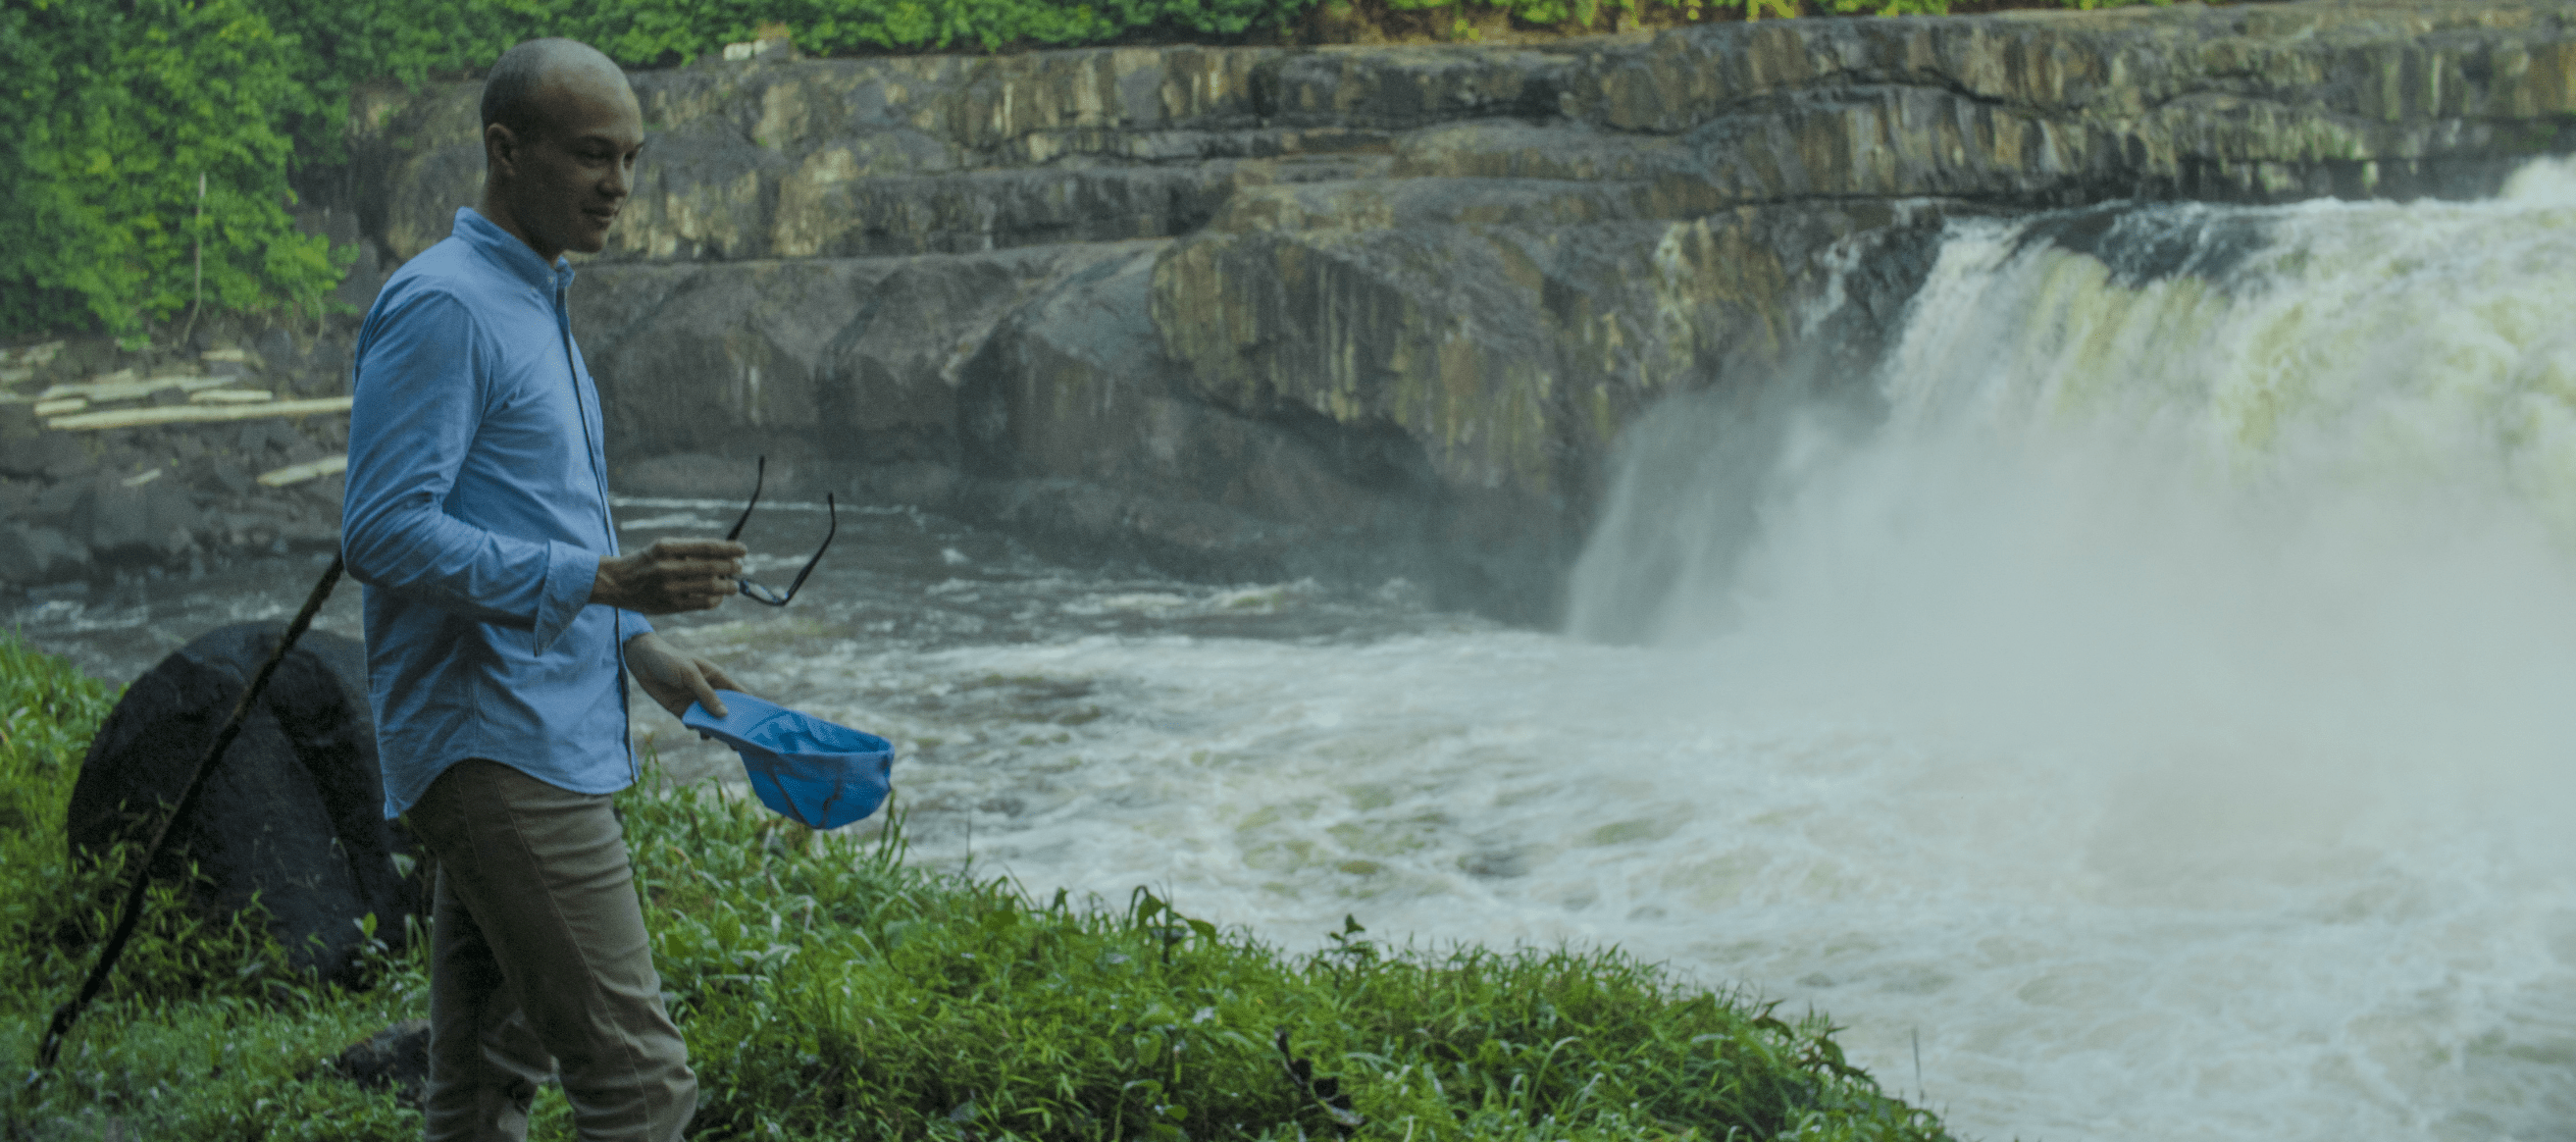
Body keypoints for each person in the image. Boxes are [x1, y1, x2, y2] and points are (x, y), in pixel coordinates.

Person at [341, 37, 741, 1142]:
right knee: (642, 1088)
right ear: (505, 150)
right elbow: (381, 531)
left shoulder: (533, 297)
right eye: (592, 155)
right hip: (498, 746)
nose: (620, 185)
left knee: (479, 1083)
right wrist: (607, 578)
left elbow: (533, 513)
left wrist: (637, 643)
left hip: (534, 728)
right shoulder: (448, 306)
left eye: (632, 158)